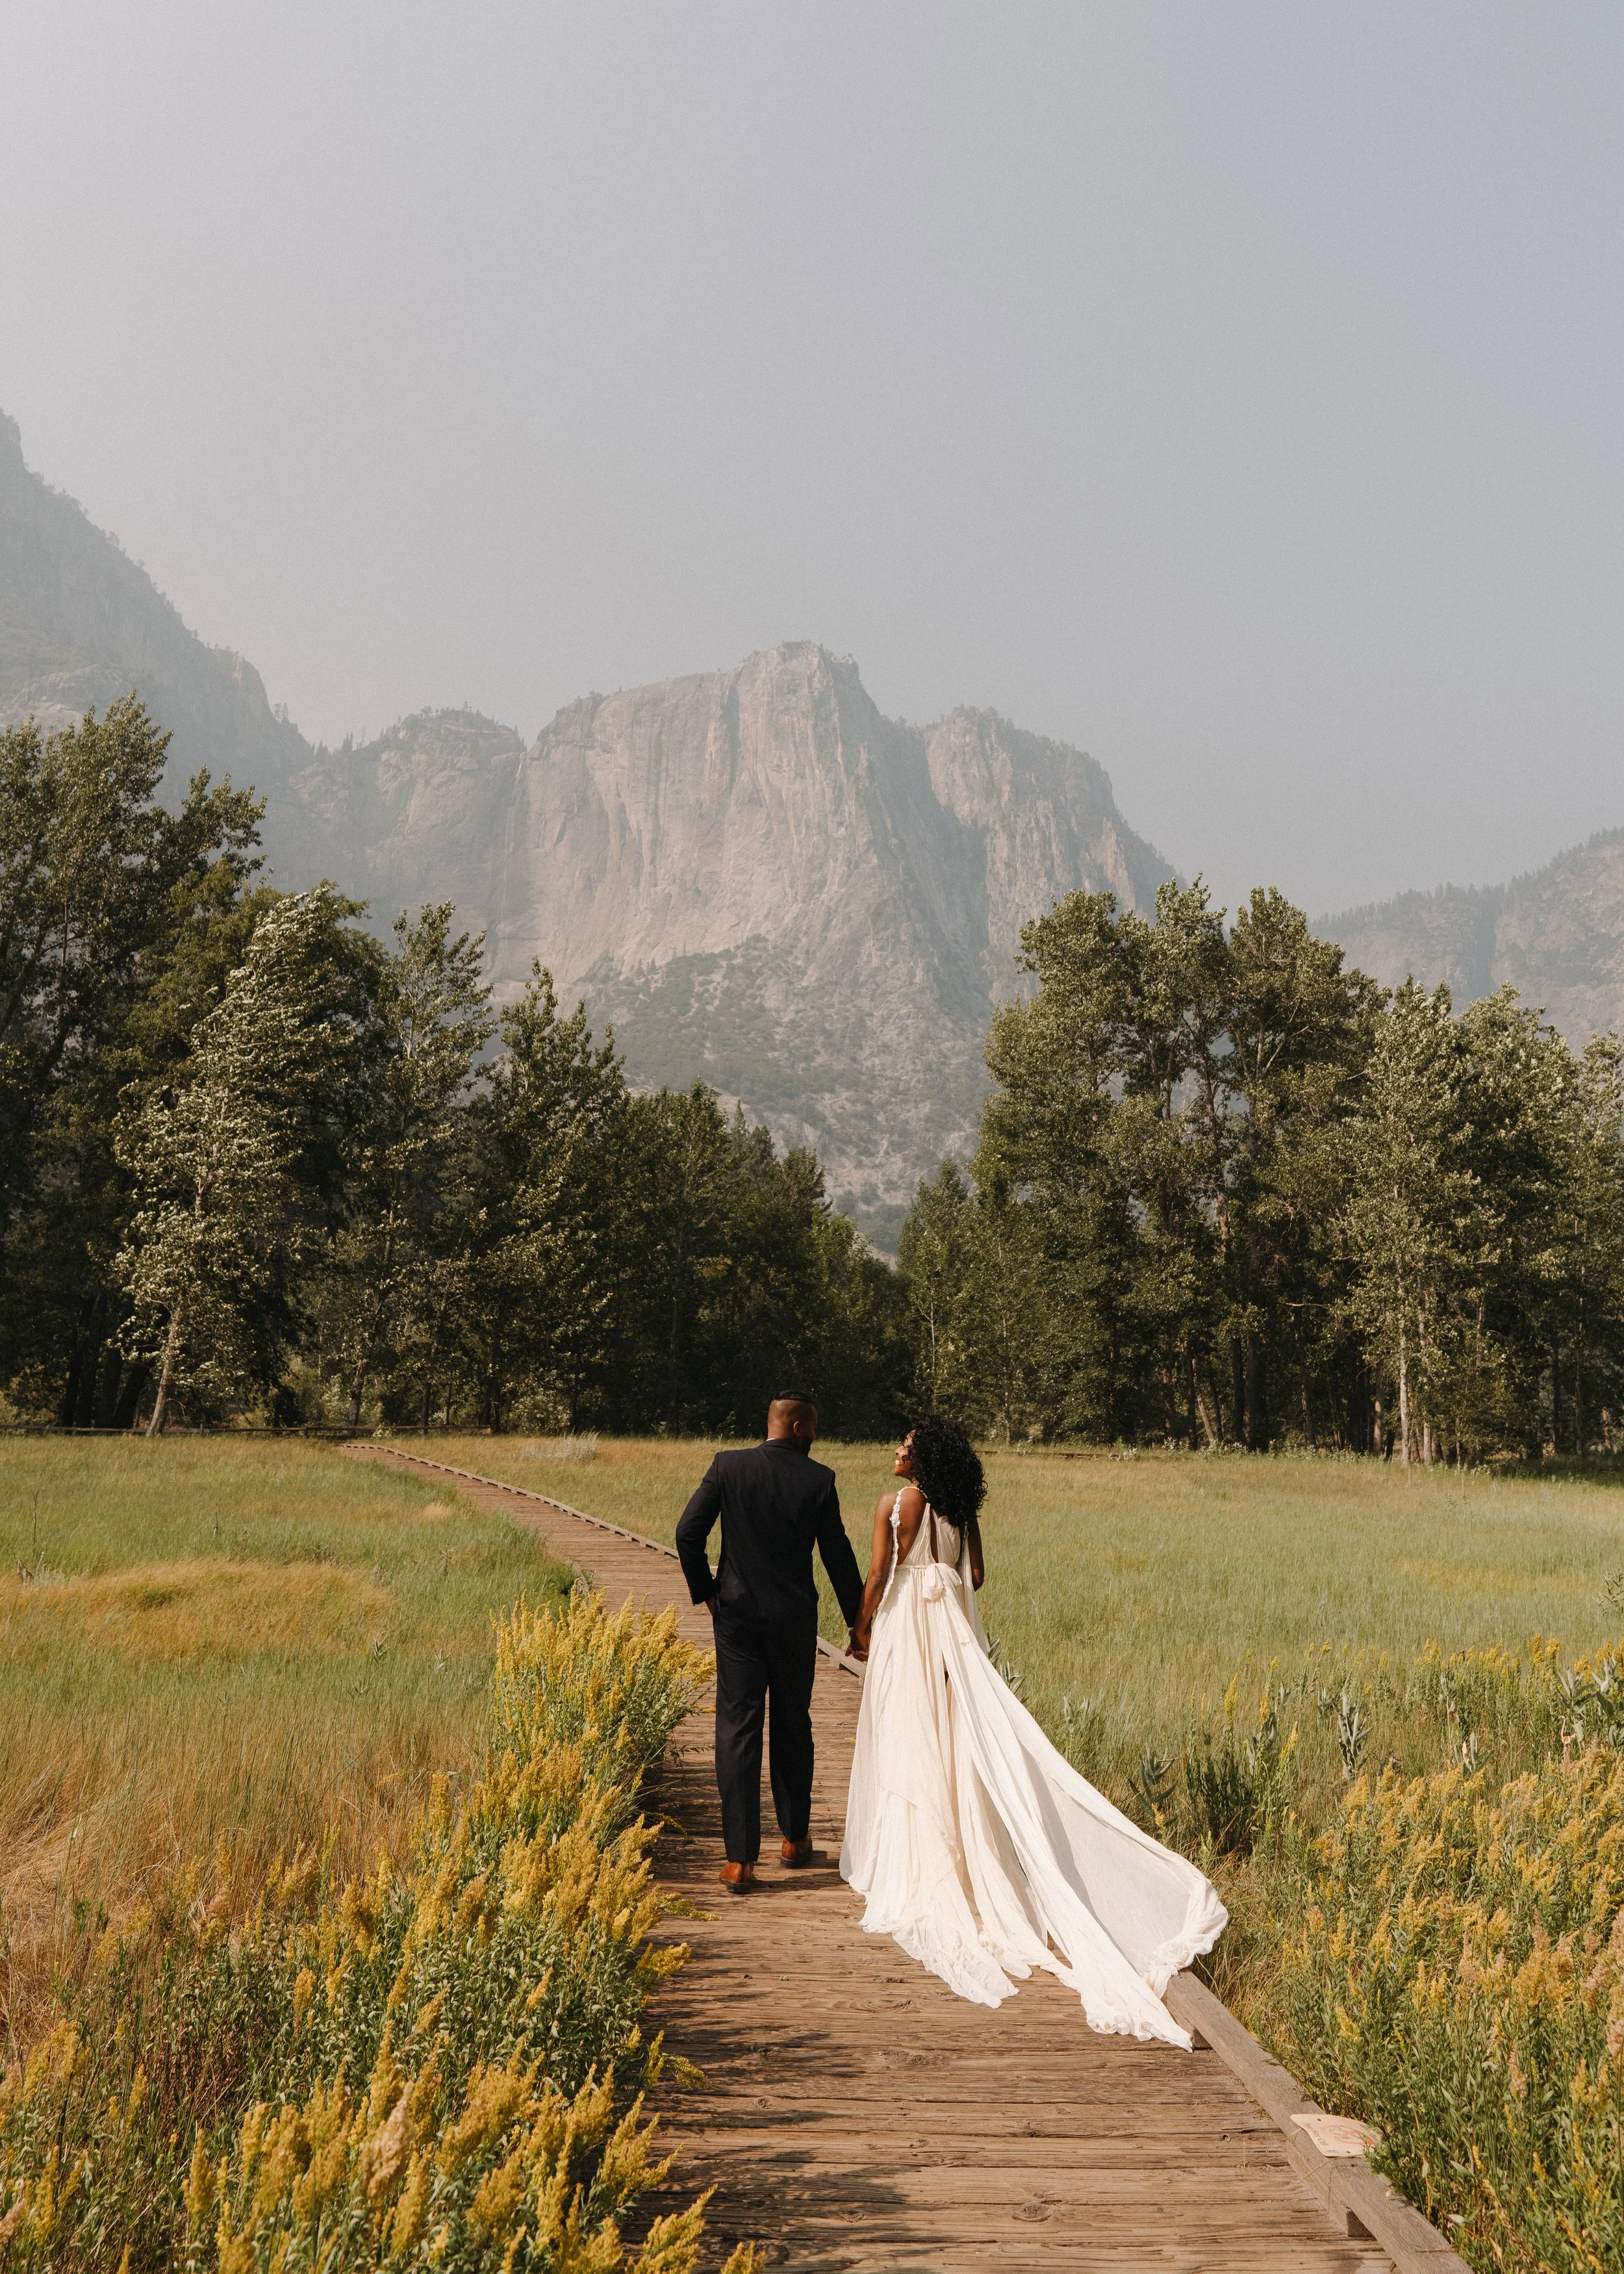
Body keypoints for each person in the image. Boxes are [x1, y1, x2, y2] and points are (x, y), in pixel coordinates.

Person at [841, 1416, 1226, 2047]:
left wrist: (861, 1630)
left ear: (919, 1457)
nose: (894, 1451)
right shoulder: (960, 1509)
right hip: (951, 1634)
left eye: (903, 1445)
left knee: (908, 1733)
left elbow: (878, 1575)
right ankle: (967, 1860)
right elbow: (979, 1576)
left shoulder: (895, 1502)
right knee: (958, 1740)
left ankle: (912, 1860)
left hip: (908, 1627)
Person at [676, 1393, 864, 1893]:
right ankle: (794, 1838)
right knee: (791, 1722)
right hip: (793, 1620)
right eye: (814, 1428)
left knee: (737, 1726)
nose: (815, 1436)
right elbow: (838, 1556)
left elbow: (687, 1533)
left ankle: (740, 1861)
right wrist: (857, 1622)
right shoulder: (818, 1480)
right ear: (798, 1427)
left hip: (736, 1614)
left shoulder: (728, 1467)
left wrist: (707, 1593)